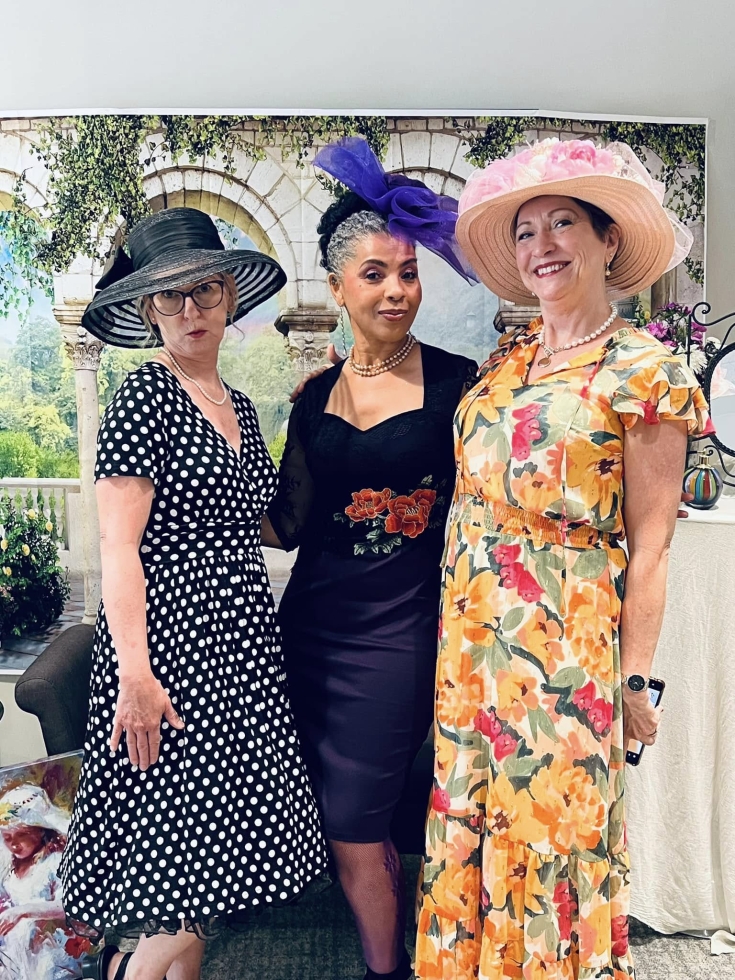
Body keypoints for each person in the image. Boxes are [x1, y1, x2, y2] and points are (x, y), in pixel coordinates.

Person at [415, 138, 713, 980]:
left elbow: (652, 542)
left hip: (565, 654)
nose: (541, 243)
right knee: (475, 823)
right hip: (471, 650)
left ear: (606, 238)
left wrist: (636, 679)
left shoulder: (646, 371)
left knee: (551, 833)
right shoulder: (506, 364)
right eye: (524, 230)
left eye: (562, 223)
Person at [59, 207, 329, 980]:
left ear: (229, 298)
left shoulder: (241, 407)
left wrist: (316, 416)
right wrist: (135, 676)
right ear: (147, 311)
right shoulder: (143, 398)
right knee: (178, 881)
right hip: (169, 655)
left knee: (204, 881)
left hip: (238, 651)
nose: (189, 310)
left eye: (204, 291)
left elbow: (271, 527)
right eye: (170, 297)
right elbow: (117, 548)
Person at [262, 137, 478, 980]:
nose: (396, 290)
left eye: (408, 272)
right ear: (339, 286)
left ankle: (387, 973)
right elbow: (289, 522)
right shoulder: (313, 396)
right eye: (376, 275)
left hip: (397, 639)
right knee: (350, 825)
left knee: (355, 825)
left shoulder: (460, 383)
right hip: (307, 631)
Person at [0, 784, 89, 979]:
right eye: (7, 838)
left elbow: (67, 905)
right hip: (18, 957)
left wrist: (22, 912)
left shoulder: (54, 862)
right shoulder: (10, 870)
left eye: (22, 835)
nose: (14, 844)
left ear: (40, 831)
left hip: (51, 954)